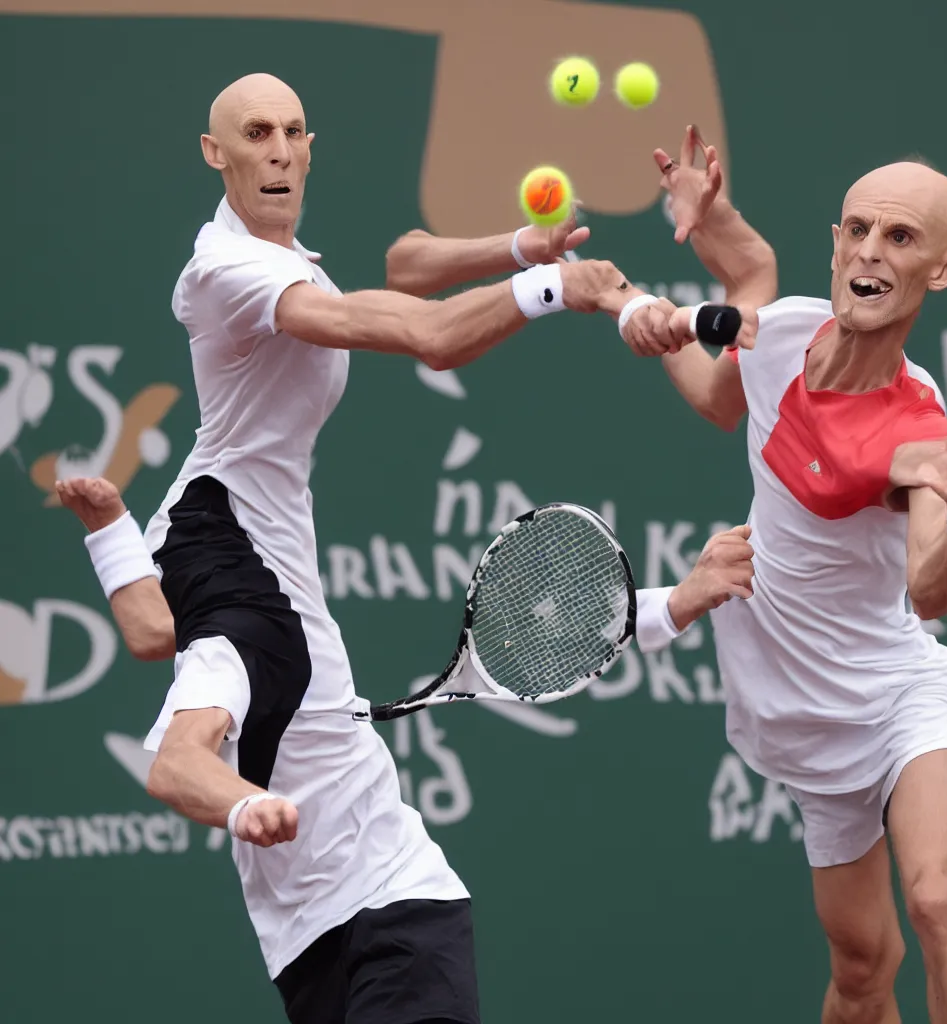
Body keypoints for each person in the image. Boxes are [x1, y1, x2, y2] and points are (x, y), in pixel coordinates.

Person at [56, 71, 754, 1024]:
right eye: (253, 132)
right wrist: (555, 286)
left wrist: (516, 245)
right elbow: (427, 333)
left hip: (395, 908)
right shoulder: (227, 277)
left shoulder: (239, 599)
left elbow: (150, 631)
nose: (277, 149)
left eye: (293, 131)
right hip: (319, 939)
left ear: (309, 148)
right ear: (214, 152)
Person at [635, 128, 947, 1023]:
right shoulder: (782, 331)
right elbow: (722, 388)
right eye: (860, 230)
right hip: (799, 708)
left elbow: (930, 594)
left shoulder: (920, 431)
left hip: (895, 694)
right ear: (835, 241)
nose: (873, 251)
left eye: (902, 239)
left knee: (936, 899)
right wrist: (646, 315)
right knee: (865, 969)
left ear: (942, 271)